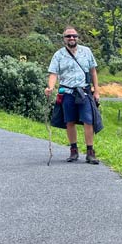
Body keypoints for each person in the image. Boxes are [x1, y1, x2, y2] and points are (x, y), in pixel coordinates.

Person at [45, 27, 101, 164]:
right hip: (67, 92)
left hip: (84, 92)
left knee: (88, 121)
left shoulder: (86, 51)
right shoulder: (58, 55)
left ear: (77, 37)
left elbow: (93, 72)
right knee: (69, 121)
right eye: (68, 36)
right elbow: (53, 73)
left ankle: (90, 152)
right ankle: (73, 151)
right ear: (64, 38)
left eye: (74, 36)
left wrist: (97, 91)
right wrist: (50, 87)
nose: (71, 38)